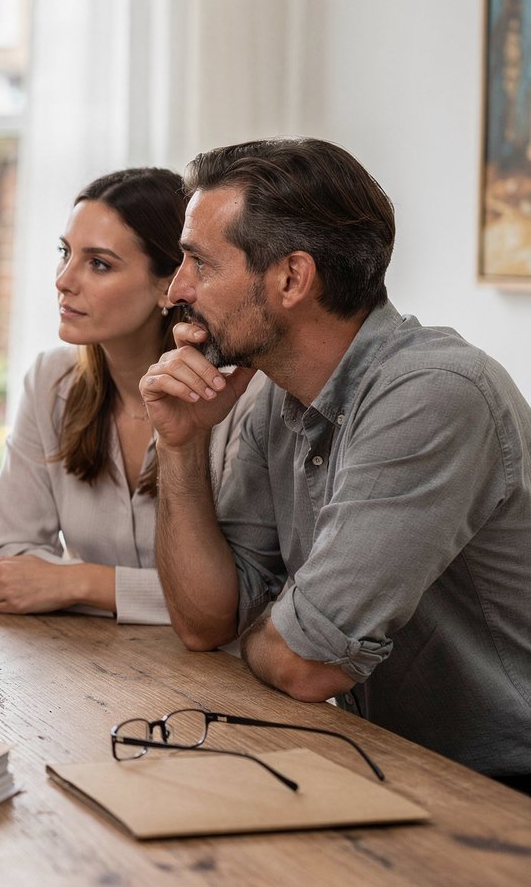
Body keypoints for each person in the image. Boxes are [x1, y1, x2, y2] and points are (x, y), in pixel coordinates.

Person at [142, 137, 531, 785]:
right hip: (395, 761)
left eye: (199, 264)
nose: (176, 290)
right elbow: (207, 619)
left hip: (506, 787)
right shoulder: (279, 396)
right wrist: (180, 444)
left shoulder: (434, 393)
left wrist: (276, 630)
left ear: (292, 278)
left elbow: (304, 666)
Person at [0, 168, 263, 624]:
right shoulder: (52, 380)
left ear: (168, 286)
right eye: (64, 253)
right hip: (97, 668)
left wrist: (78, 582)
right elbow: (5, 562)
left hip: (218, 682)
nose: (63, 281)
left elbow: (243, 597)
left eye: (99, 264)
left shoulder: (238, 396)